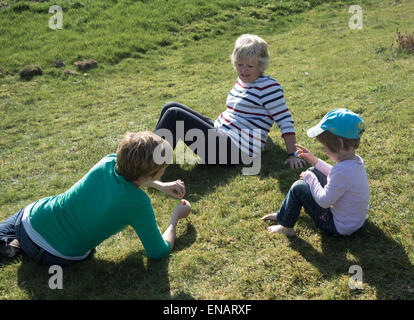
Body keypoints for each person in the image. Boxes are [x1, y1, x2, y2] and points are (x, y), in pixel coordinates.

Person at [0, 131, 191, 266]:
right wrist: (175, 218)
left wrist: (161, 185)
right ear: (152, 173)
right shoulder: (138, 203)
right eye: (164, 167)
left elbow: (129, 177)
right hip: (57, 255)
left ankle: (15, 244)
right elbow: (158, 252)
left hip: (29, 222)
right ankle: (17, 246)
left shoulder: (108, 162)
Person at [154, 34, 305, 168]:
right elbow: (255, 116)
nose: (243, 71)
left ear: (261, 65)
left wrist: (293, 154)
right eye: (240, 65)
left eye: (250, 66)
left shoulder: (269, 87)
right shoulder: (243, 81)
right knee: (170, 106)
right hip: (222, 134)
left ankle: (146, 161)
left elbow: (284, 120)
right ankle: (149, 157)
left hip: (234, 151)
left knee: (174, 115)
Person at [261, 109, 369, 237]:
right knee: (313, 170)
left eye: (325, 146)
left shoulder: (341, 171)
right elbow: (335, 174)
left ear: (339, 143)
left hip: (337, 226)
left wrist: (310, 179)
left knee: (299, 187)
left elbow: (324, 201)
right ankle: (283, 214)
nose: (324, 149)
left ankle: (286, 226)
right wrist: (314, 161)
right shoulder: (355, 162)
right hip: (354, 221)